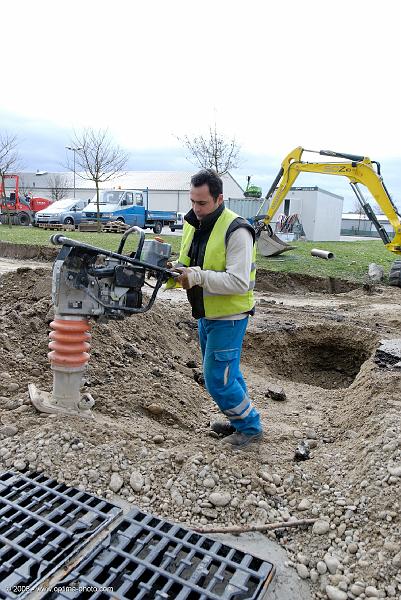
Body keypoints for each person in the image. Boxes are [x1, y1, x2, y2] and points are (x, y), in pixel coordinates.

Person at [172, 169, 263, 449]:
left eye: (202, 203)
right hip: (205, 314)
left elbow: (238, 282)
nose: (196, 209)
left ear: (219, 198)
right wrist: (171, 271)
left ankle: (250, 429)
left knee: (216, 379)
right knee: (229, 374)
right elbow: (186, 262)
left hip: (229, 317)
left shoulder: (237, 230)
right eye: (192, 201)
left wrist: (197, 276)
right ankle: (241, 422)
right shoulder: (193, 224)